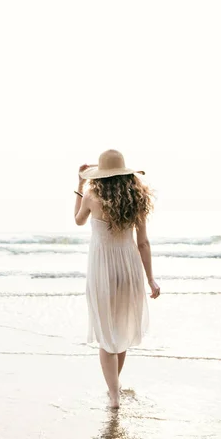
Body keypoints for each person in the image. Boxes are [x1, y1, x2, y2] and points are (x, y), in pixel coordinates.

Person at [74, 149, 160, 409]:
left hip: (102, 270)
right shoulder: (137, 199)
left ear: (100, 176)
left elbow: (78, 221)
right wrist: (151, 280)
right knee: (120, 331)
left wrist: (79, 183)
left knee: (106, 335)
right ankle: (116, 386)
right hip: (129, 268)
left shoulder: (91, 197)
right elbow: (143, 243)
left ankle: (114, 396)